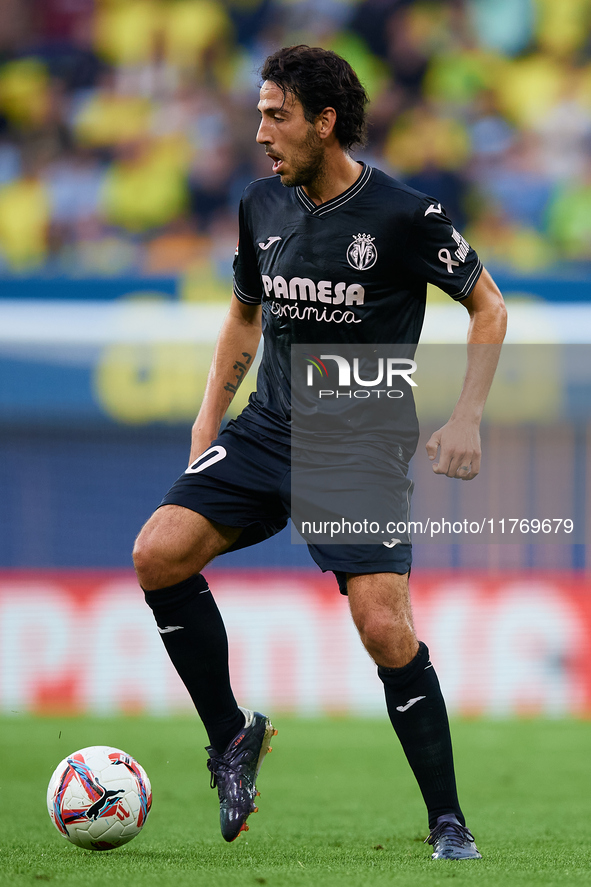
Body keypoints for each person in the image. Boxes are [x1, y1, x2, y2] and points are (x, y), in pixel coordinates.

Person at [133, 45, 507, 860]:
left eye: (276, 115)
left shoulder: (407, 216)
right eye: (259, 114)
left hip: (356, 436)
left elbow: (488, 306)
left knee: (383, 628)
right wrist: (208, 423)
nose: (261, 132)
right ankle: (231, 738)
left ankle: (448, 820)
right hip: (266, 426)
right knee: (157, 553)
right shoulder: (259, 204)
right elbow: (243, 314)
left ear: (323, 121)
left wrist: (466, 416)